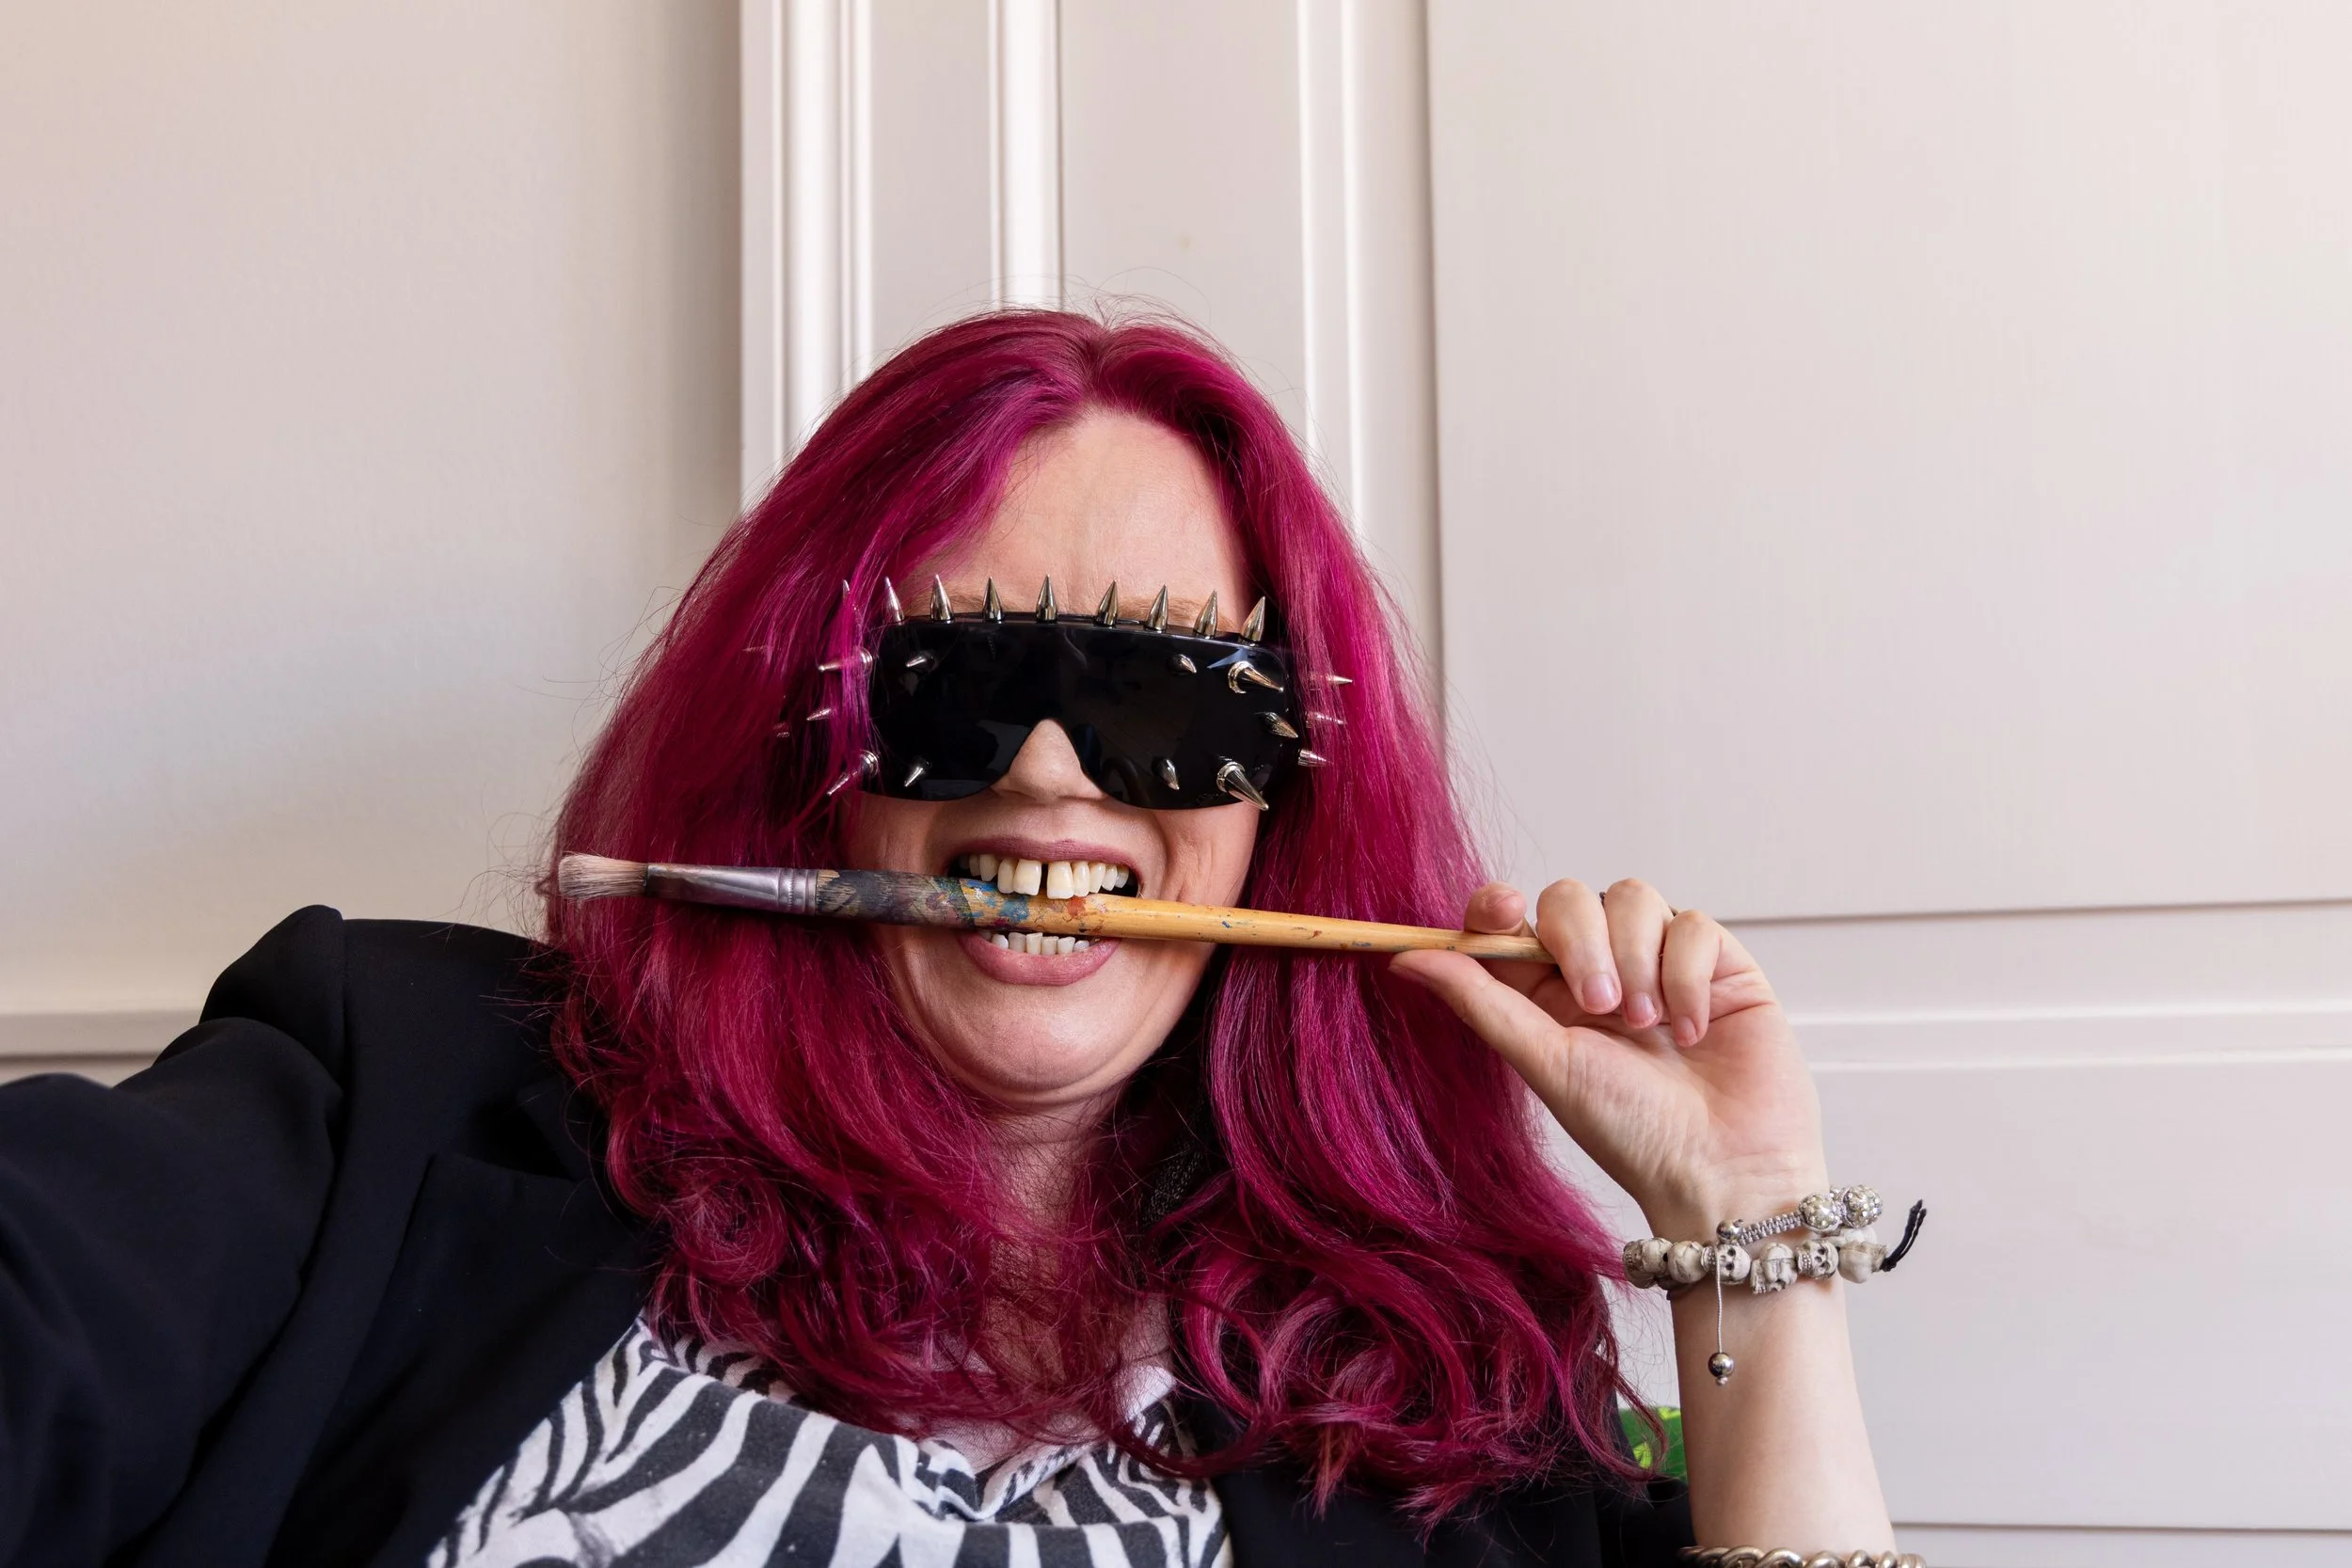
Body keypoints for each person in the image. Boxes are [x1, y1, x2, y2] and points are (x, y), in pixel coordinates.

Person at [0, 311, 1910, 1567]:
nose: (1058, 775)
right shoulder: (382, 1088)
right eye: (954, 679)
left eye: (1169, 700)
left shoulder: (1439, 1398)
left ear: (1286, 792)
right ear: (814, 745)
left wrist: (1750, 1233)